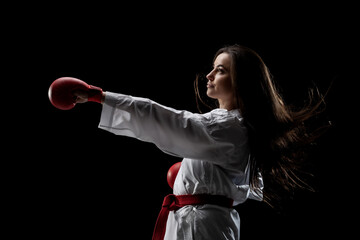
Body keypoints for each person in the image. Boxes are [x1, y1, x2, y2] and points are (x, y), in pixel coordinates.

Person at [57, 44, 326, 240]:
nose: (208, 75)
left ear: (241, 82)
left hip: (200, 227)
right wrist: (192, 176)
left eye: (219, 70)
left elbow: (171, 121)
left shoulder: (229, 127)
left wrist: (100, 97)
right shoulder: (234, 126)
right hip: (199, 222)